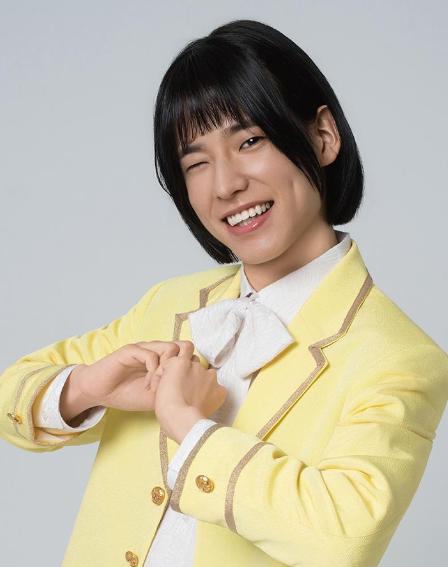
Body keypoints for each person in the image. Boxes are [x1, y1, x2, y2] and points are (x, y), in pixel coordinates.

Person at [1, 18, 447, 567]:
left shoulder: (400, 358)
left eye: (250, 141)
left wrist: (190, 428)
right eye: (196, 163)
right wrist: (89, 387)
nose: (226, 184)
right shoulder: (167, 305)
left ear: (322, 136)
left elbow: (345, 537)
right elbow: (11, 396)